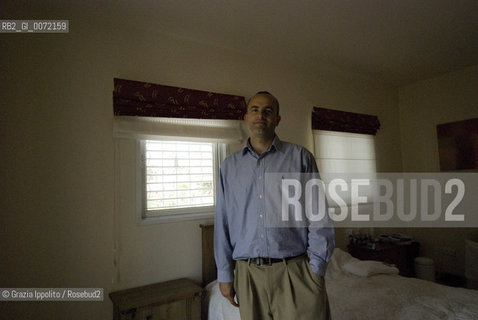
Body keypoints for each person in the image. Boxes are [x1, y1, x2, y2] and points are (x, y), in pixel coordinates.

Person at [214, 91, 335, 320]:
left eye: (268, 111)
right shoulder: (228, 167)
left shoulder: (301, 158)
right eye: (255, 109)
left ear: (277, 119)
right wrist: (224, 274)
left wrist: (316, 270)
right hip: (248, 276)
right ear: (246, 117)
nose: (261, 115)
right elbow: (222, 222)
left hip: (295, 273)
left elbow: (319, 215)